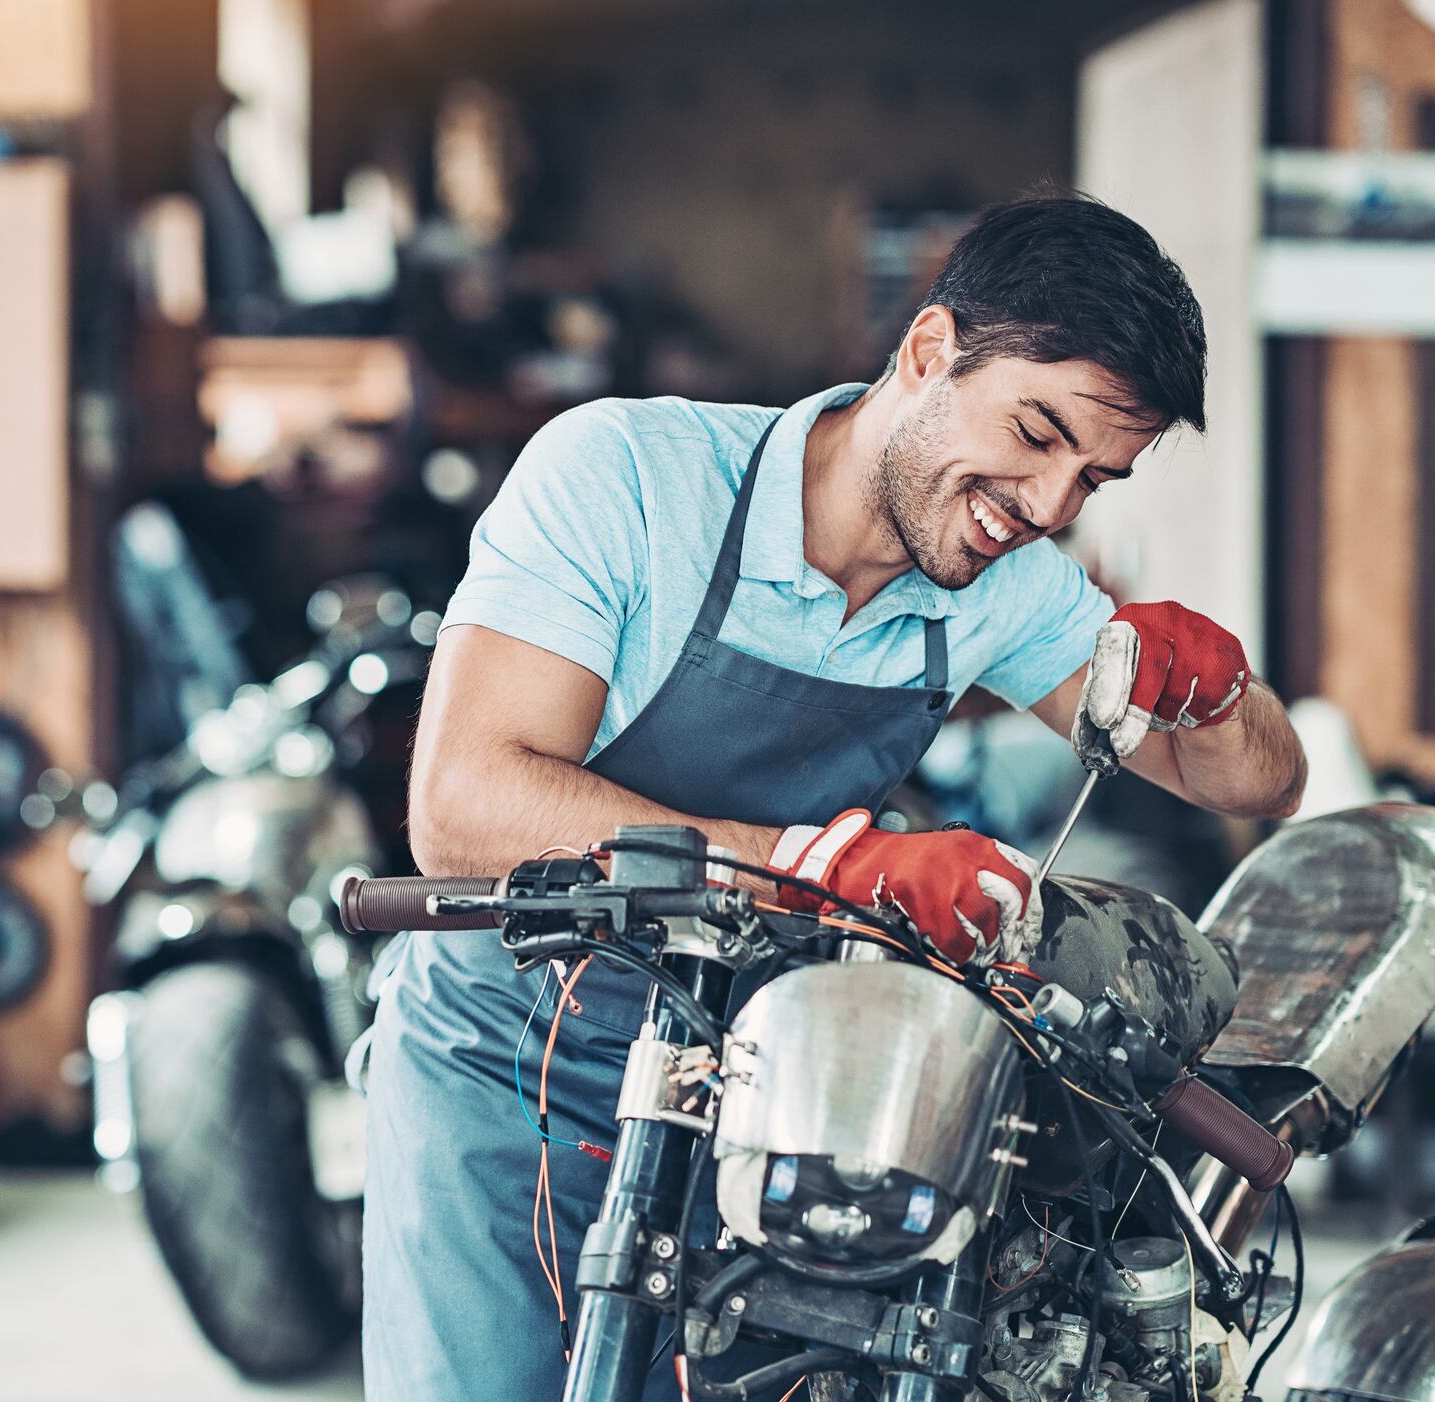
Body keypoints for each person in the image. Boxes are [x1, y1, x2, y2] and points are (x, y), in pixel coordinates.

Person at [359, 192, 1307, 1401]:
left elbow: (1263, 784)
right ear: (925, 353)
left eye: (1093, 478)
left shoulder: (1003, 581)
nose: (1051, 504)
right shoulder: (630, 478)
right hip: (510, 1068)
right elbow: (464, 802)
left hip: (762, 1092)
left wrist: (1220, 693)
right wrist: (813, 864)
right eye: (1035, 431)